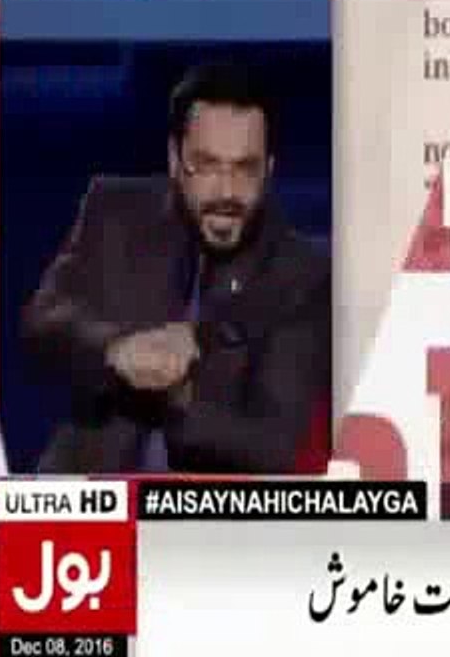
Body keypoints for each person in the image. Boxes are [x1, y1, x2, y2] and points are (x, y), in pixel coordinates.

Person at [22, 62, 331, 474]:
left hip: (205, 509)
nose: (226, 191)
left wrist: (178, 396)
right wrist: (117, 350)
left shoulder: (301, 275)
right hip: (88, 493)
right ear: (175, 159)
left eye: (245, 168)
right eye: (206, 164)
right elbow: (44, 319)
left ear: (269, 170)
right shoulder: (114, 211)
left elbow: (273, 448)